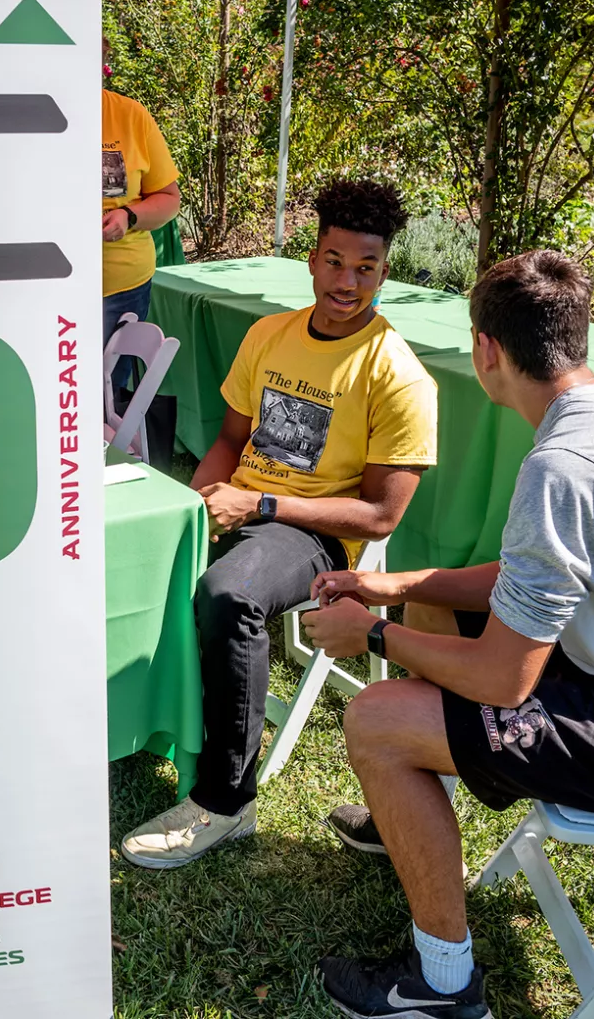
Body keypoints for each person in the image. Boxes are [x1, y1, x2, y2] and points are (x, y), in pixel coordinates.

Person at [301, 250, 594, 1019]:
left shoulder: (566, 463)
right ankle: (410, 822)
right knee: (434, 609)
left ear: (487, 351)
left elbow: (501, 680)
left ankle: (443, 988)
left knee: (375, 721)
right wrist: (398, 587)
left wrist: (373, 635)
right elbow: (535, 579)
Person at [119, 178, 438, 869]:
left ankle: (226, 803)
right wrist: (199, 503)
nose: (347, 281)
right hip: (242, 503)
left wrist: (259, 506)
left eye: (366, 268)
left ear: (386, 271)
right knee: (132, 551)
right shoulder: (270, 334)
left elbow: (382, 514)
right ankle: (136, 727)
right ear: (312, 255)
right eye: (334, 261)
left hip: (317, 533)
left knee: (230, 594)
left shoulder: (399, 376)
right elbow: (233, 439)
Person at [102, 37, 181, 464]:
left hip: (118, 287)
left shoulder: (129, 116)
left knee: (104, 395)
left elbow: (168, 198)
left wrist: (128, 216)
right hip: (42, 284)